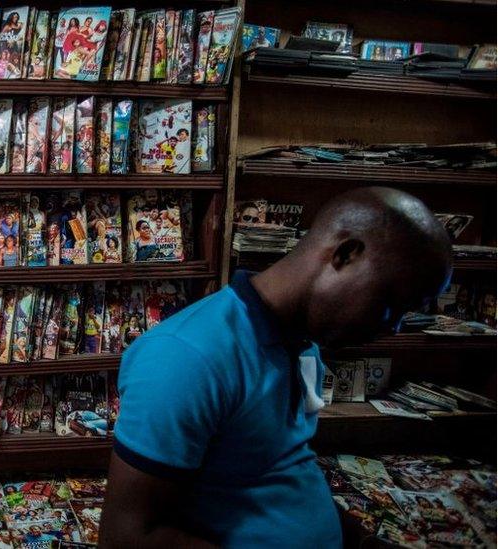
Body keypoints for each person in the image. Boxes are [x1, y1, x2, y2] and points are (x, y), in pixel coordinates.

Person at [99, 187, 452, 548]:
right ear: (345, 254)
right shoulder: (185, 357)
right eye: (391, 302)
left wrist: (358, 539)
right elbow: (125, 537)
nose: (394, 327)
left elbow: (288, 465)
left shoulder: (304, 344)